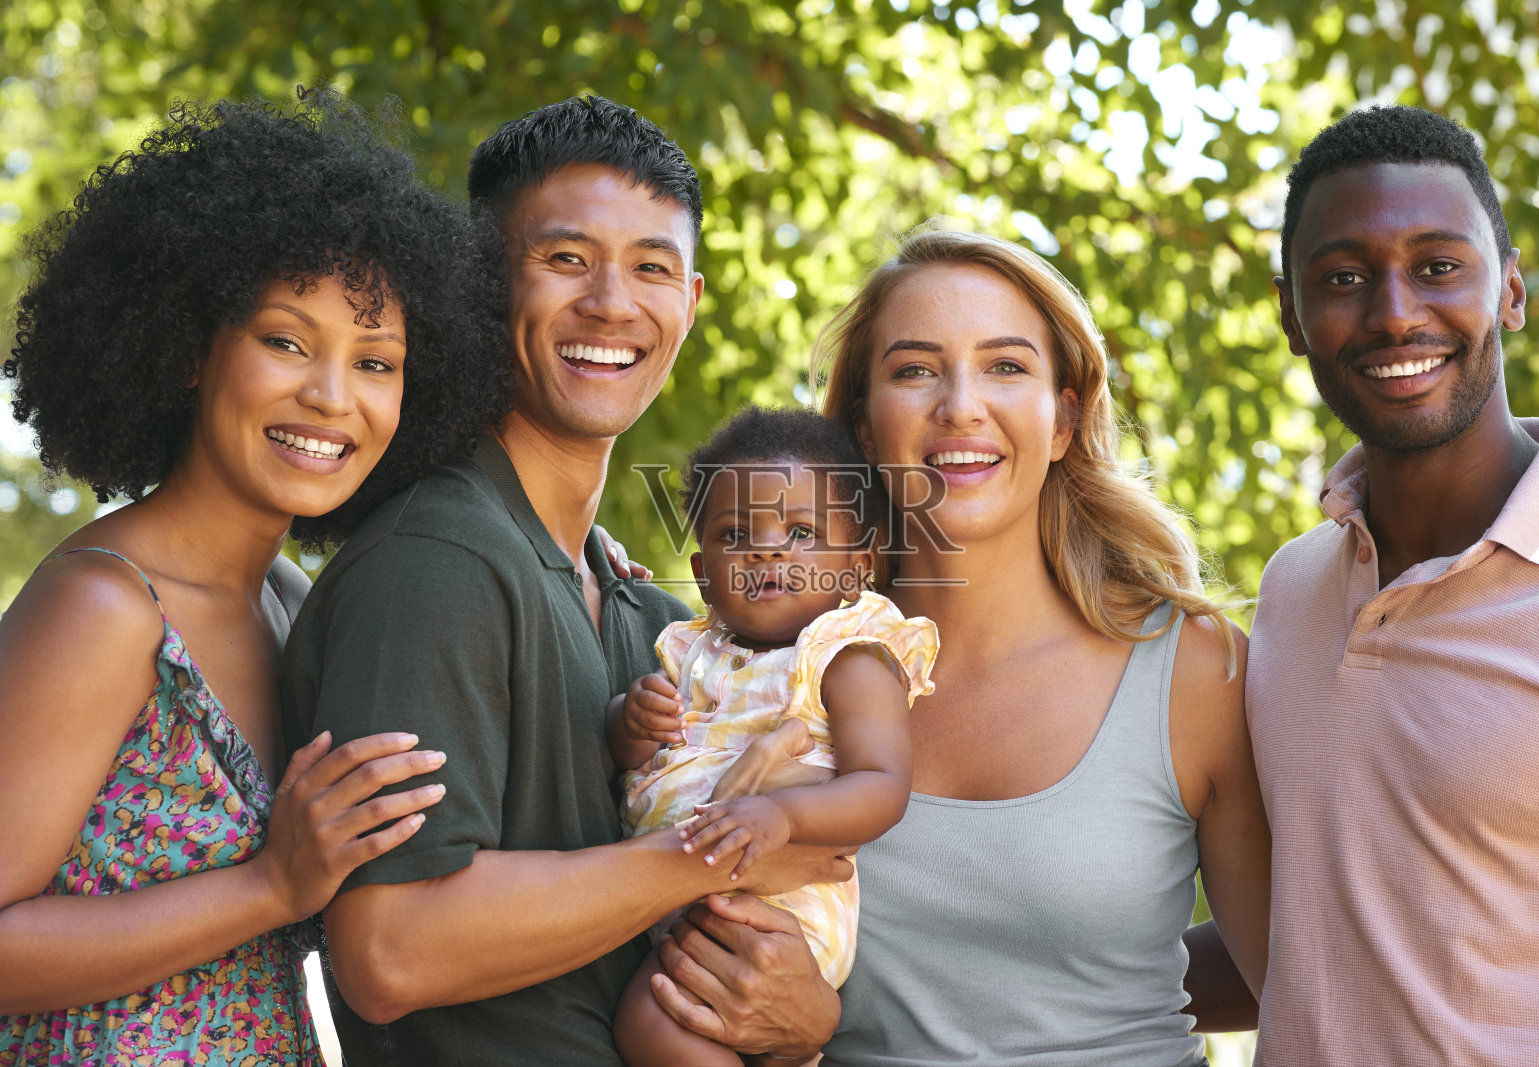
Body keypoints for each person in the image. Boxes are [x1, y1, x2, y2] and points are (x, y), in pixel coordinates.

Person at [279, 95, 852, 1066]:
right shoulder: (435, 561)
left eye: (651, 268)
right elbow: (390, 948)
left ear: (690, 302)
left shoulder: (656, 620)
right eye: (566, 258)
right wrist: (711, 848)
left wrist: (802, 1019)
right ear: (479, 281)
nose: (612, 303)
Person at [645, 227, 1271, 1065]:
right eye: (914, 369)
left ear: (1062, 419)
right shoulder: (761, 666)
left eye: (1006, 366)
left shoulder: (1194, 667)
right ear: (865, 432)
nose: (961, 405)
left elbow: (1293, 973)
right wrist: (803, 1033)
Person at [0, 92, 512, 1065]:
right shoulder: (104, 607)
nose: (330, 396)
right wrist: (270, 884)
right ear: (191, 345)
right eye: (286, 340)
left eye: (376, 360)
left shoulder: (292, 600)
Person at [1249, 105, 1539, 1065]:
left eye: (1439, 266)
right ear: (1291, 315)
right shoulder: (1291, 591)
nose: (1396, 312)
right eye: (1345, 278)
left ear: (1512, 290)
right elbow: (1309, 934)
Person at [610, 406, 938, 1066]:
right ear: (703, 574)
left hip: (781, 906)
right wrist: (629, 721)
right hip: (671, 897)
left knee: (654, 1022)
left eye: (799, 531)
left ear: (853, 569)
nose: (766, 549)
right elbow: (633, 761)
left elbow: (881, 785)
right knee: (658, 1017)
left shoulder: (845, 657)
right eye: (738, 533)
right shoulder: (690, 651)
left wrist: (780, 814)